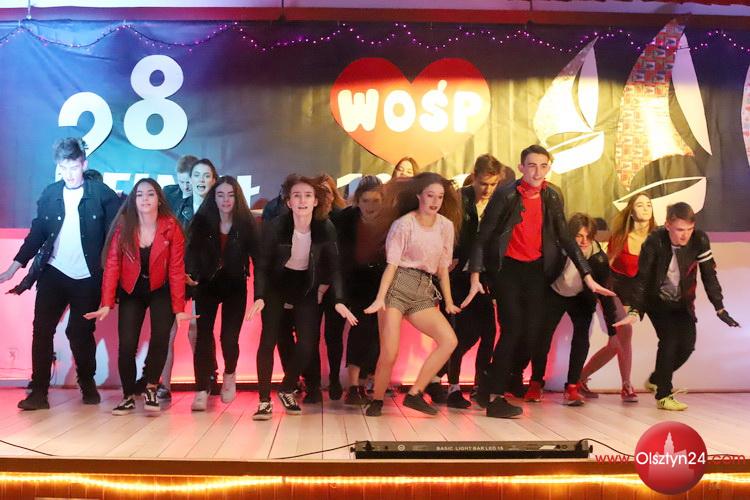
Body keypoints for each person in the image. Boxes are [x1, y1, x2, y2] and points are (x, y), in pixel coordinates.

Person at [462, 144, 614, 419]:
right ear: (521, 167)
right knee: (512, 328)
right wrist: (475, 274)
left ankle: (490, 385)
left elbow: (565, 237)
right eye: (531, 166)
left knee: (532, 332)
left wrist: (587, 275)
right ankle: (495, 397)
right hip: (507, 269)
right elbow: (484, 235)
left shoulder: (552, 195)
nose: (537, 172)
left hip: (536, 271)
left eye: (543, 166)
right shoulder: (506, 194)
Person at [0, 138, 121, 411]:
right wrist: (13, 268)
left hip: (88, 277)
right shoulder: (50, 194)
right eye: (63, 168)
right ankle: (38, 391)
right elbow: (37, 234)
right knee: (42, 330)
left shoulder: (102, 195)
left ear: (84, 165)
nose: (69, 174)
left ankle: (87, 382)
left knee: (79, 332)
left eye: (74, 167)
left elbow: (116, 238)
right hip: (53, 273)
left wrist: (113, 281)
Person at [246, 174, 357, 420]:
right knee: (268, 340)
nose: (302, 200)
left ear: (316, 201)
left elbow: (335, 267)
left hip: (305, 285)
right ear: (289, 202)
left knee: (308, 343)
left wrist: (339, 300)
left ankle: (287, 388)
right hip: (276, 284)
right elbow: (262, 265)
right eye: (297, 196)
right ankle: (264, 401)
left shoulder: (325, 227)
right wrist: (260, 296)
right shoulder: (275, 226)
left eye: (308, 196)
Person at [615, 202, 739, 410]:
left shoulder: (699, 240)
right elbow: (642, 278)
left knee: (687, 345)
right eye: (680, 230)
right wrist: (635, 309)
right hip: (656, 300)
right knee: (669, 340)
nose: (685, 235)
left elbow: (709, 274)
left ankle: (657, 378)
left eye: (689, 229)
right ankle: (664, 395)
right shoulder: (654, 241)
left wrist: (719, 307)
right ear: (668, 225)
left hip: (682, 301)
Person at [85, 179, 194, 415]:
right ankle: (127, 396)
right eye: (140, 194)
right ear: (133, 200)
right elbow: (112, 264)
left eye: (150, 194)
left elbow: (176, 269)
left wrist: (179, 308)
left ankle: (151, 387)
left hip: (161, 288)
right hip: (131, 289)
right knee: (127, 345)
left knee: (161, 339)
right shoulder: (124, 226)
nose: (145, 199)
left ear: (159, 199)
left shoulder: (171, 226)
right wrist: (107, 302)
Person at [363, 172, 461, 417]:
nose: (435, 201)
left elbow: (443, 268)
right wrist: (380, 298)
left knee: (449, 340)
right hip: (397, 284)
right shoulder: (404, 224)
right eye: (430, 195)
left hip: (423, 288)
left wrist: (449, 302)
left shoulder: (445, 226)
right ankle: (377, 400)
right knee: (390, 351)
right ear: (419, 196)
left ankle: (415, 393)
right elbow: (392, 265)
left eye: (439, 197)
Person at [434, 154, 510, 409]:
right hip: (456, 276)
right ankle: (453, 387)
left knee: (487, 332)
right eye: (483, 184)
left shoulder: (500, 201)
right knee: (456, 333)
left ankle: (479, 386)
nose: (487, 190)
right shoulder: (458, 199)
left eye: (493, 184)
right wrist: (448, 258)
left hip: (484, 276)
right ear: (474, 177)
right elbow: (446, 232)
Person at [518, 213, 618, 405]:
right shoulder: (558, 248)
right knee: (542, 337)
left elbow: (605, 293)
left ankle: (572, 386)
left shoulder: (598, 258)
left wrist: (612, 330)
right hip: (554, 293)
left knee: (581, 338)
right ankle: (536, 383)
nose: (584, 241)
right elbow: (541, 271)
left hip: (581, 297)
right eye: (579, 236)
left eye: (588, 236)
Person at [186, 176, 259, 411]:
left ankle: (230, 374)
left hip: (234, 286)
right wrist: (190, 277)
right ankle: (201, 388)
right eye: (220, 195)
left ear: (237, 198)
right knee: (203, 336)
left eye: (230, 195)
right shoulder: (201, 222)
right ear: (213, 198)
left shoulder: (246, 224)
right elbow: (191, 253)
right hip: (206, 285)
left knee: (228, 338)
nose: (226, 200)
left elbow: (258, 259)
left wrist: (261, 295)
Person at [578, 194, 656, 402]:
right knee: (625, 332)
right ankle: (626, 385)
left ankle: (579, 378)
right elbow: (607, 266)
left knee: (616, 344)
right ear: (631, 211)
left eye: (649, 205)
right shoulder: (621, 237)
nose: (646, 208)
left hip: (637, 294)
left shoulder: (657, 239)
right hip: (614, 290)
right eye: (640, 205)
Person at [159, 159, 219, 400]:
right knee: (167, 330)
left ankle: (206, 379)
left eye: (204, 176)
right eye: (189, 179)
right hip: (176, 274)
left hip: (204, 277)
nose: (192, 183)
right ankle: (163, 385)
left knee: (198, 330)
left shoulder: (218, 204)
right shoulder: (173, 200)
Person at [330, 176, 387, 405]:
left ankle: (364, 383)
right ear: (357, 201)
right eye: (365, 201)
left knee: (378, 334)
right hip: (354, 281)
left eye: (376, 201)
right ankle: (353, 386)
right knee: (360, 329)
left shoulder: (390, 220)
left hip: (382, 281)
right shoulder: (345, 219)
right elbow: (337, 255)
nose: (370, 206)